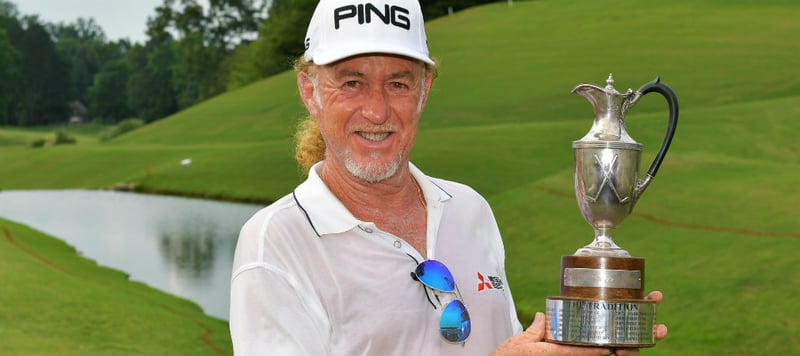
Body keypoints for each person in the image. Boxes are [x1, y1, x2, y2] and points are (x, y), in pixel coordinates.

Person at [229, 0, 668, 355]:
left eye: (398, 84)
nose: (377, 111)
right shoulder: (276, 244)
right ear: (309, 91)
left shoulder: (469, 208)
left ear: (425, 90)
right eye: (351, 83)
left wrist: (578, 344)